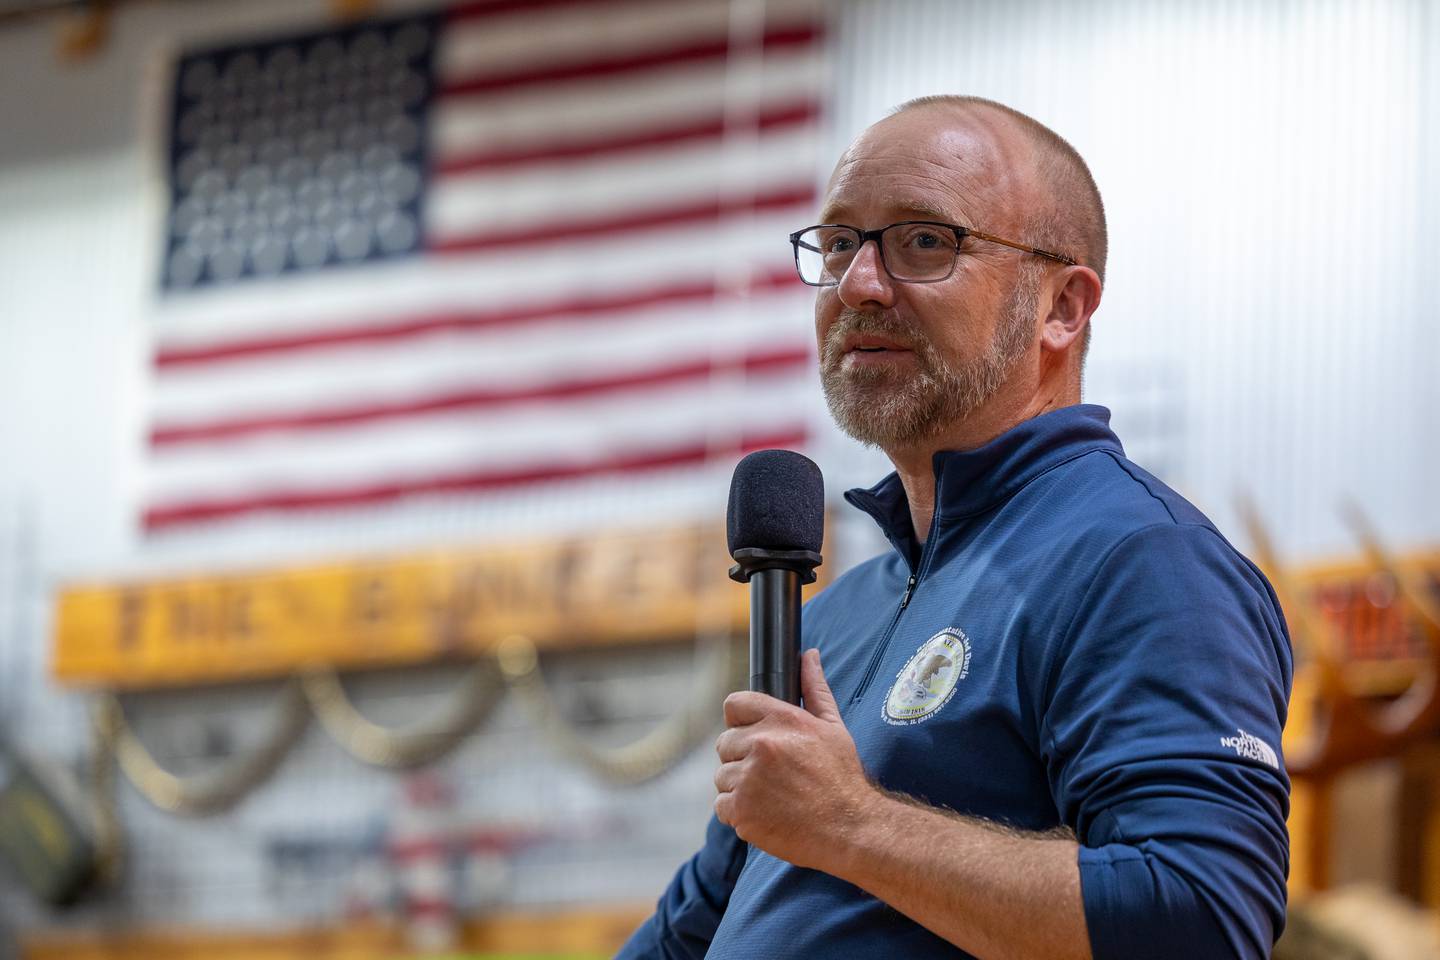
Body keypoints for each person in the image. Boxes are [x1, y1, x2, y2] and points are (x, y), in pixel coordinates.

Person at [617, 95, 1291, 960]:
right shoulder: (840, 610)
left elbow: (1201, 919)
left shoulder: (1144, 562)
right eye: (837, 244)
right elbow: (695, 924)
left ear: (1063, 308)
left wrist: (850, 824)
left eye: (925, 241)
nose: (860, 283)